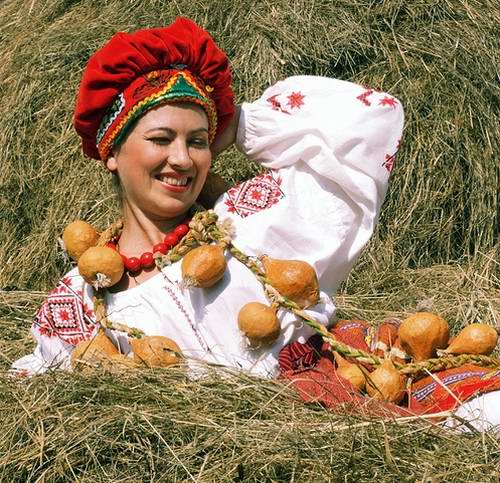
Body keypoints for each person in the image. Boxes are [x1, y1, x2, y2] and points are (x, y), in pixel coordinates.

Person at [11, 18, 500, 430]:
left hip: (341, 403)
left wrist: (236, 123)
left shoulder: (251, 217)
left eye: (196, 141)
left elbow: (372, 118)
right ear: (112, 152)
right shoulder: (80, 297)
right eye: (161, 138)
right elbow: (43, 391)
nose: (181, 159)